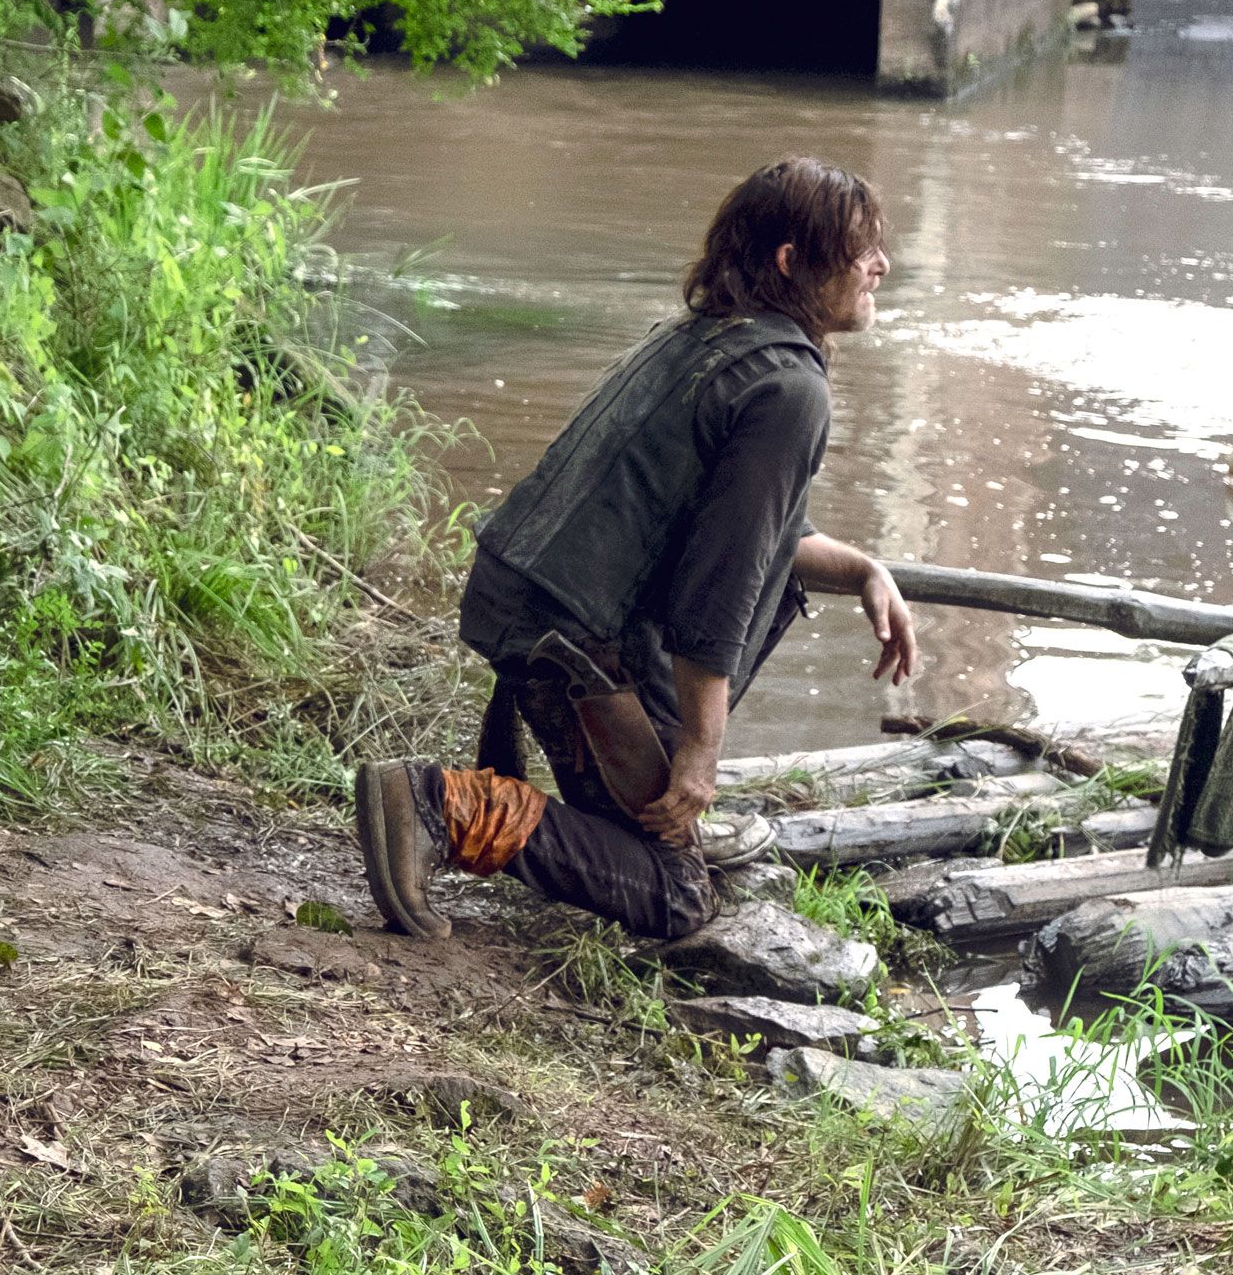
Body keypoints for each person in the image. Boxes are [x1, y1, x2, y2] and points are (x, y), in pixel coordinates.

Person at [354, 155, 919, 943]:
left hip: (527, 601)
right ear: (794, 261)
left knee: (653, 839)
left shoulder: (704, 337)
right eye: (864, 250)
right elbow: (716, 594)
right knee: (675, 896)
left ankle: (536, 818)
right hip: (570, 642)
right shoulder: (791, 387)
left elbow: (757, 527)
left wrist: (863, 568)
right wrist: (699, 753)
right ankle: (441, 807)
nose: (881, 266)